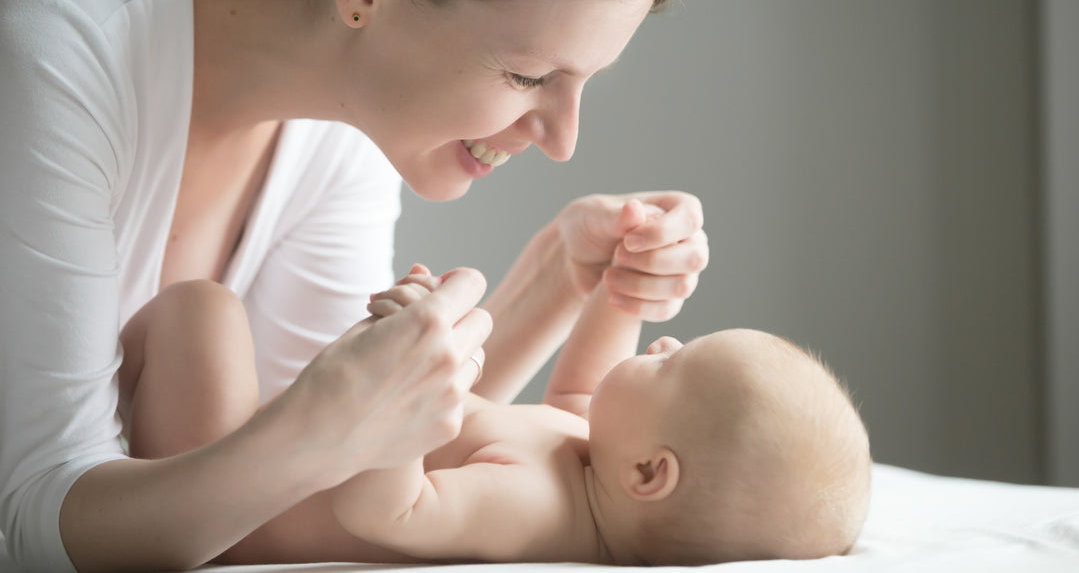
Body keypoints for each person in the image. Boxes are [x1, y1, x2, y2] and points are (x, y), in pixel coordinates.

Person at [0, 0, 709, 572]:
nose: (563, 140)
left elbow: (338, 463)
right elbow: (41, 527)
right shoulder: (48, 46)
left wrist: (563, 272)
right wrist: (329, 421)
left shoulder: (345, 93)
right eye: (529, 75)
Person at [121, 239, 871, 566]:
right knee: (205, 315)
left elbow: (390, 512)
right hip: (261, 463)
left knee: (203, 311)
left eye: (677, 366)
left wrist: (401, 388)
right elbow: (584, 391)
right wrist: (620, 288)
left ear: (650, 474)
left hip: (229, 510)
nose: (665, 347)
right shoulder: (593, 465)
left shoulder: (533, 505)